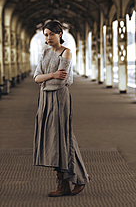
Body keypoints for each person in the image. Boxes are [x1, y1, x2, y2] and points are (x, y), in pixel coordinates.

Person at [33, 19, 90, 197]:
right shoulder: (44, 54)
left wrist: (46, 80)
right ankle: (64, 183)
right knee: (52, 139)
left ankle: (76, 179)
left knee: (62, 137)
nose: (48, 38)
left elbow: (60, 82)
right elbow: (36, 77)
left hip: (59, 99)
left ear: (60, 34)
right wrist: (51, 75)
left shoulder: (66, 53)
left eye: (51, 34)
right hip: (45, 100)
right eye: (46, 35)